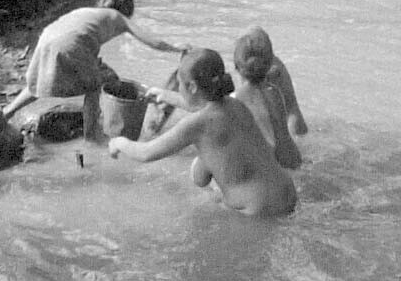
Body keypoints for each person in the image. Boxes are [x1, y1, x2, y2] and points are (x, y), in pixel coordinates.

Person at [109, 48, 298, 217]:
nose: (179, 88)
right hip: (287, 193)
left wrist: (119, 142)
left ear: (191, 87)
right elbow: (207, 109)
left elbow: (145, 153)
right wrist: (165, 95)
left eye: (179, 83)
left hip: (259, 209)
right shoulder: (236, 105)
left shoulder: (196, 125)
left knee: (203, 196)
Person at [3, 0, 185, 142]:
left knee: (38, 82)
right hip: (72, 44)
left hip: (47, 37)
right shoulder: (119, 17)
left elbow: (82, 35)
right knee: (93, 87)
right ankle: (92, 137)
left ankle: (7, 112)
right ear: (125, 10)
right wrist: (176, 48)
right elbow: (152, 41)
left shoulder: (89, 12)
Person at [233, 27, 303, 169]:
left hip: (262, 165)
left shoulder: (234, 100)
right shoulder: (274, 92)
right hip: (292, 158)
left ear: (236, 66)